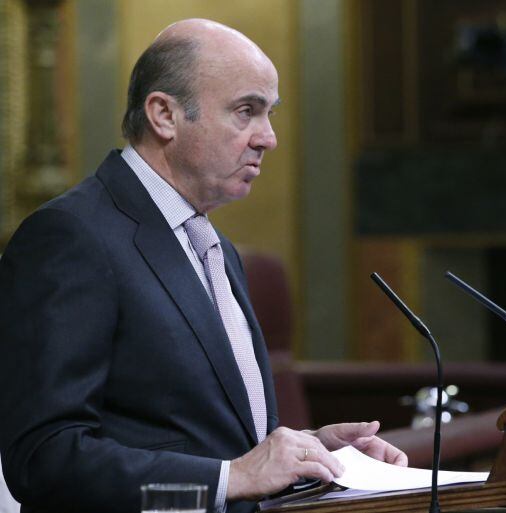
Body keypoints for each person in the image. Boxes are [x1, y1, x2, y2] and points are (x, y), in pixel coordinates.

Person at [0, 19, 406, 513]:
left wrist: (311, 451)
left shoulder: (213, 244)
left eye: (270, 113)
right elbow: (44, 462)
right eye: (246, 111)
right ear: (165, 114)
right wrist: (230, 478)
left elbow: (195, 437)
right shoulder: (71, 237)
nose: (269, 138)